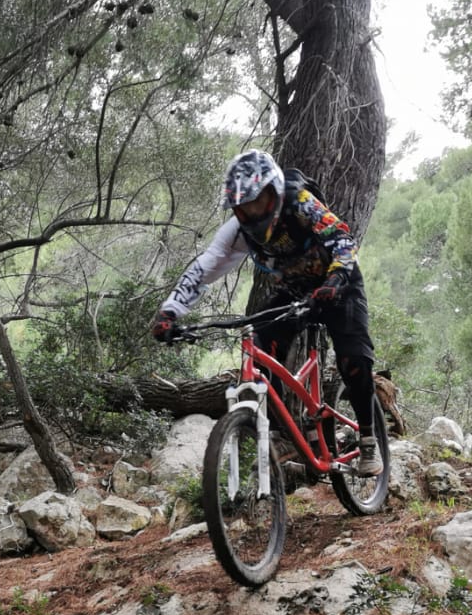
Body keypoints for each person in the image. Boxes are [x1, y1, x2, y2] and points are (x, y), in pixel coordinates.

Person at [150, 149, 382, 475]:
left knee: (353, 359)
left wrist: (336, 278)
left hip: (338, 284)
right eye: (243, 207)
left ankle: (369, 439)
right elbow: (205, 267)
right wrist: (169, 312)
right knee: (259, 351)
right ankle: (283, 432)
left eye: (257, 202)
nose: (252, 213)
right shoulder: (238, 231)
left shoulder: (299, 202)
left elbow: (341, 236)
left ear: (274, 193)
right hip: (293, 292)